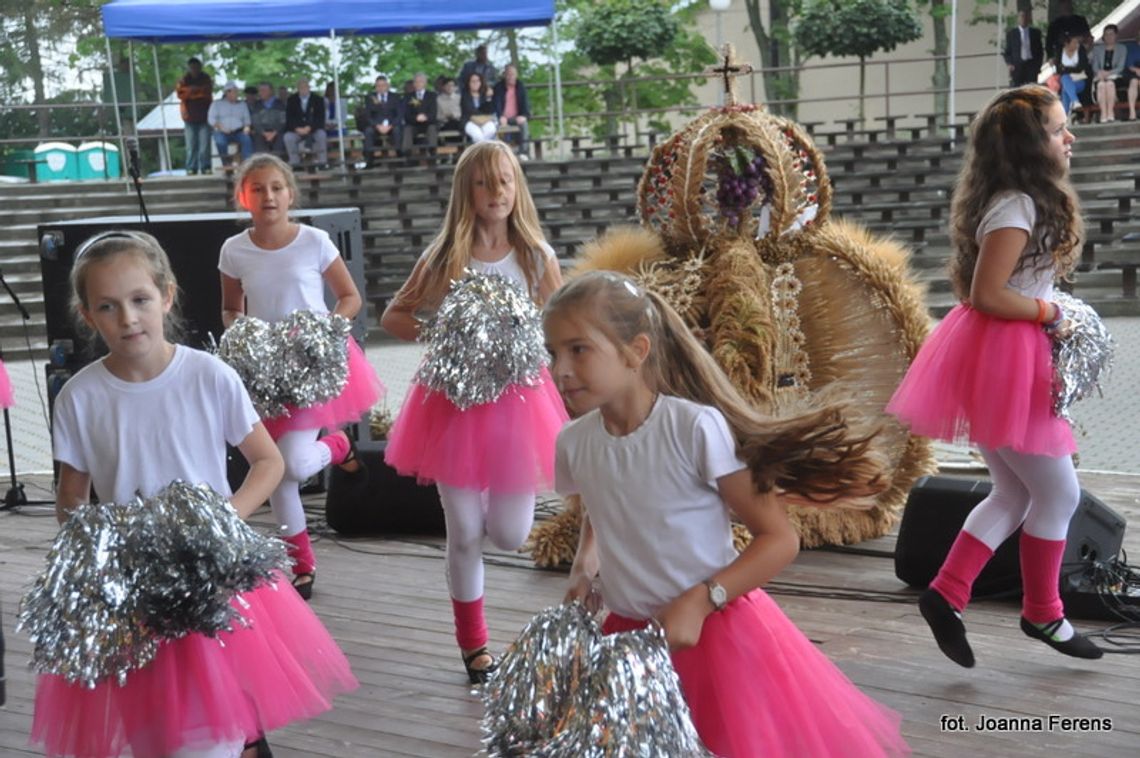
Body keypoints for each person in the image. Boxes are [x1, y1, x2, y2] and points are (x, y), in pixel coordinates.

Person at [546, 266, 907, 758]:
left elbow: (777, 538)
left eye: (578, 349)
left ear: (636, 351)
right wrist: (584, 567)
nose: (560, 369)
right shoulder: (575, 442)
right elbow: (600, 501)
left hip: (718, 638)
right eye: (553, 353)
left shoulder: (693, 429)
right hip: (633, 639)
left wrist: (700, 599)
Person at [33, 230, 357, 758]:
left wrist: (225, 520)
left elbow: (268, 461)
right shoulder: (79, 397)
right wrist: (88, 561)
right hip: (134, 589)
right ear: (88, 315)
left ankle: (242, 738)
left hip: (211, 577)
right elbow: (72, 499)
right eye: (108, 307)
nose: (129, 318)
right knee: (156, 732)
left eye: (139, 300)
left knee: (208, 732)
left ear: (166, 295)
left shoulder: (208, 376)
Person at [887, 85, 1103, 669]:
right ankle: (1043, 612)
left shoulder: (1019, 200)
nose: (1070, 137)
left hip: (996, 356)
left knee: (1013, 491)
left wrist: (1047, 308)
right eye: (1060, 130)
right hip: (1008, 358)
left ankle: (947, 593)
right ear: (1034, 146)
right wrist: (1050, 313)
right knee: (1059, 492)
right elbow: (987, 294)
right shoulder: (1017, 206)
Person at [380, 141, 567, 684]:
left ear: (518, 187)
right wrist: (449, 334)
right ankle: (474, 646)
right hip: (452, 408)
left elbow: (562, 329)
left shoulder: (536, 257)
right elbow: (395, 316)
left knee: (509, 534)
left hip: (518, 407)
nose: (497, 193)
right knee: (463, 531)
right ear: (467, 191)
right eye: (485, 183)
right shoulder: (444, 257)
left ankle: (491, 513)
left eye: (505, 181)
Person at [220, 154, 384, 600]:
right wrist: (243, 331)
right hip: (263, 371)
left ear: (291, 194)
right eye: (258, 188)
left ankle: (337, 445)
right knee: (276, 470)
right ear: (244, 197)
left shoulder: (314, 241)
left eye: (276, 187)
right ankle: (302, 566)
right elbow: (231, 308)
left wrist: (324, 328)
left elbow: (349, 298)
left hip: (312, 365)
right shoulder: (234, 250)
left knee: (290, 462)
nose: (268, 196)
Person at [175, 56, 213, 175]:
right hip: (189, 117)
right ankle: (191, 167)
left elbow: (206, 91)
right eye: (192, 67)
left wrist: (192, 92)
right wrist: (194, 92)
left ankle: (206, 166)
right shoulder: (184, 79)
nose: (194, 69)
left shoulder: (206, 78)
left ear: (200, 67)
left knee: (204, 145)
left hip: (205, 116)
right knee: (191, 145)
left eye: (196, 67)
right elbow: (180, 93)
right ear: (189, 68)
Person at [283, 77, 329, 169]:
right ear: (298, 88)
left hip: (314, 129)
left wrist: (310, 128)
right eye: (301, 87)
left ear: (309, 87)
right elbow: (289, 118)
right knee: (288, 137)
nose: (303, 89)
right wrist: (297, 128)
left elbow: (320, 118)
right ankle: (295, 163)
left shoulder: (318, 99)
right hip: (297, 130)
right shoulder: (292, 100)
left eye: (305, 87)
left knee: (321, 135)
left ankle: (322, 162)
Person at [208, 80, 253, 166]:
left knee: (247, 139)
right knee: (220, 141)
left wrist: (247, 127)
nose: (237, 94)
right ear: (227, 93)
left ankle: (248, 164)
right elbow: (211, 119)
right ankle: (226, 163)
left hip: (238, 131)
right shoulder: (217, 104)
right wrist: (220, 127)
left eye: (237, 92)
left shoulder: (242, 104)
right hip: (222, 131)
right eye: (234, 92)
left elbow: (247, 120)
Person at [492, 64, 532, 160]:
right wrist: (500, 116)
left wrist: (524, 115)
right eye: (508, 74)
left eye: (512, 74)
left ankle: (523, 152)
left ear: (516, 75)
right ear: (504, 75)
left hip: (516, 117)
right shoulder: (498, 87)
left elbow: (526, 103)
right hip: (502, 118)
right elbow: (496, 104)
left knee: (524, 123)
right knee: (496, 127)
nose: (510, 77)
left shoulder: (520, 86)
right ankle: (501, 154)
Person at [362, 75, 403, 167]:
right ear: (375, 87)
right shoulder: (370, 98)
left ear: (387, 86)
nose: (381, 88)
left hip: (391, 125)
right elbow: (368, 116)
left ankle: (400, 157)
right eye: (378, 86)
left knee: (398, 130)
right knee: (368, 132)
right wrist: (377, 125)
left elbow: (399, 114)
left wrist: (391, 125)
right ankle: (369, 160)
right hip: (377, 126)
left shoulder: (395, 97)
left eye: (383, 85)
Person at [1090, 24, 1126, 123]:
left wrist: (1108, 73)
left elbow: (1120, 67)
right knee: (1101, 85)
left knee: (1110, 84)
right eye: (1106, 34)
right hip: (1100, 76)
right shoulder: (1097, 49)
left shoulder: (1122, 48)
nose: (1109, 37)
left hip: (1116, 76)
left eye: (1111, 34)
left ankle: (1110, 113)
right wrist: (1100, 73)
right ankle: (1103, 114)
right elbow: (1095, 66)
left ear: (1116, 35)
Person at [1003, 9, 1044, 88]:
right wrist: (1009, 64)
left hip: (1031, 65)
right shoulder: (1012, 34)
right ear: (1018, 19)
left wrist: (1038, 65)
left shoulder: (1035, 33)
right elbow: (1007, 52)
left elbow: (1040, 51)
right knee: (1017, 89)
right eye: (1021, 16)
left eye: (1025, 17)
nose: (1023, 19)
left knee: (1031, 89)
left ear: (1028, 19)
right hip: (1017, 66)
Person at [1056, 32, 1092, 118]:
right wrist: (1072, 69)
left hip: (1080, 80)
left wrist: (1066, 69)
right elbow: (1059, 70)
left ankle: (1065, 115)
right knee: (1065, 82)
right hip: (1067, 81)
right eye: (1074, 42)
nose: (1077, 45)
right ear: (1066, 43)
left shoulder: (1080, 50)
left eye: (1077, 42)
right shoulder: (1060, 51)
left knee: (1065, 84)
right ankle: (1074, 102)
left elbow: (1081, 67)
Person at [401, 72, 439, 154]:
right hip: (414, 124)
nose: (418, 84)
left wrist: (426, 117)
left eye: (421, 81)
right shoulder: (408, 97)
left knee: (432, 128)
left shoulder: (432, 95)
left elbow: (434, 112)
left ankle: (432, 153)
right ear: (414, 83)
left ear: (425, 83)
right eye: (416, 82)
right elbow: (406, 114)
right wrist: (416, 118)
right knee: (407, 129)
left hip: (428, 123)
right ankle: (407, 154)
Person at [250, 82, 287, 157]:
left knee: (281, 140)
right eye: (260, 90)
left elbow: (283, 121)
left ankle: (277, 165)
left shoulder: (280, 104)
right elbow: (255, 121)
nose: (261, 93)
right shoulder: (257, 104)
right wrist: (263, 133)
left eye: (264, 90)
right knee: (258, 142)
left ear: (271, 91)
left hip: (277, 132)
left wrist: (274, 133)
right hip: (261, 132)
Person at [460, 72, 497, 144]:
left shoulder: (484, 95)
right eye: (473, 81)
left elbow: (490, 110)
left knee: (491, 130)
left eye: (477, 81)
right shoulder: (464, 95)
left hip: (484, 120)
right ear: (468, 83)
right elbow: (469, 110)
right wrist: (485, 116)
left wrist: (488, 98)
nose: (475, 83)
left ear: (481, 82)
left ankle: (481, 152)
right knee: (478, 136)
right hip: (469, 121)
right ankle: (485, 153)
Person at [1126, 38, 1140, 121]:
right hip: (1134, 73)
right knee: (1133, 82)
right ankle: (1132, 112)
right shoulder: (1132, 48)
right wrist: (1137, 70)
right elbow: (1129, 65)